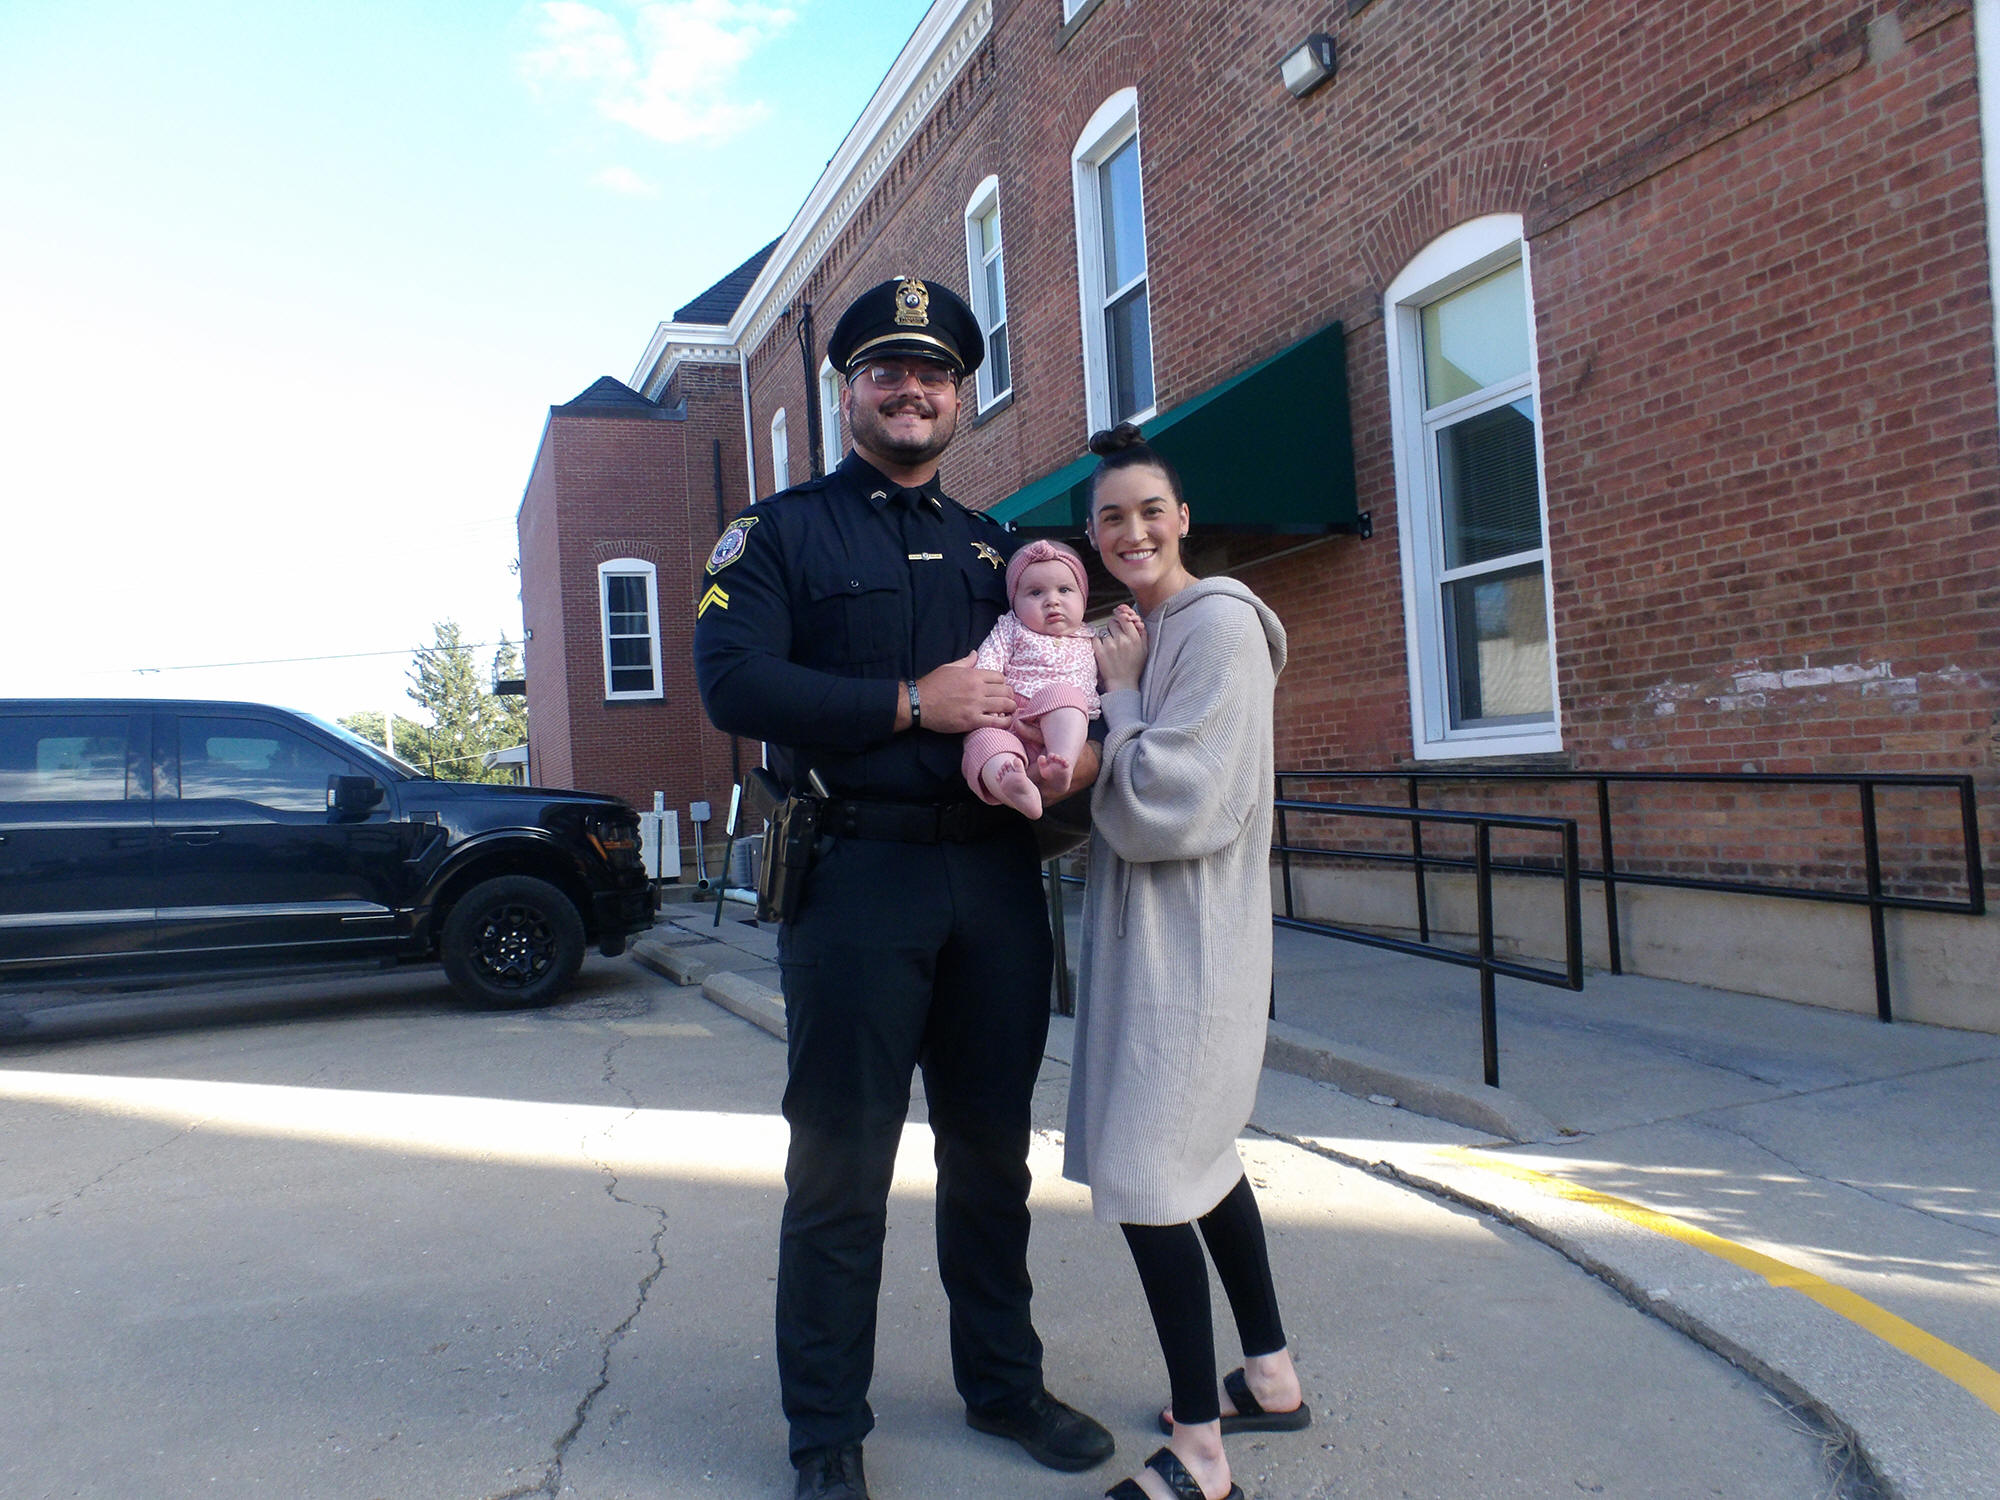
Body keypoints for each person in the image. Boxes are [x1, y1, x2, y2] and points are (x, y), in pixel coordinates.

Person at [692, 275, 1114, 1500]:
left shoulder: (1000, 549)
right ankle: (825, 1430)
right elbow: (731, 683)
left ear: (959, 396)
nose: (911, 389)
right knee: (840, 1168)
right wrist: (905, 704)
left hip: (992, 877)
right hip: (855, 878)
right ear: (849, 391)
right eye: (886, 370)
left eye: (933, 373)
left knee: (991, 1156)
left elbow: (1059, 676)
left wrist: (1083, 747)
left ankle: (1003, 1385)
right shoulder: (777, 535)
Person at [1063, 423, 1306, 1500]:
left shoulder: (1215, 625)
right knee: (1202, 1166)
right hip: (1154, 947)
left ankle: (1202, 1456)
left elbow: (1174, 801)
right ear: (1092, 533)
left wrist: (1117, 701)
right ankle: (1270, 1377)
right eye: (1111, 517)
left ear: (1184, 519)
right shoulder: (1144, 629)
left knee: (1153, 1181)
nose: (1133, 531)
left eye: (1150, 511)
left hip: (1191, 950)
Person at [960, 538, 1100, 819]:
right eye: (1036, 592)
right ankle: (1011, 784)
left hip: (1059, 726)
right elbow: (987, 665)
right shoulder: (1011, 629)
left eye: (1064, 590)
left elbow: (1118, 665)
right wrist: (988, 704)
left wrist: (1128, 625)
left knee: (1066, 697)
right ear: (1014, 602)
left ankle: (1063, 762)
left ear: (1083, 597)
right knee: (982, 740)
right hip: (1010, 717)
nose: (1052, 601)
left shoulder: (1091, 637)